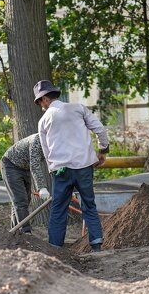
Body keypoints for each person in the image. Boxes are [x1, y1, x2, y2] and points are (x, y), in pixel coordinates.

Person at [34, 79, 110, 251]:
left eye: (40, 102)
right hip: (84, 166)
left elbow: (46, 151)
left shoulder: (43, 120)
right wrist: (102, 150)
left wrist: (52, 169)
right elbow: (99, 129)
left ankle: (55, 248)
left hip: (61, 170)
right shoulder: (78, 108)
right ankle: (97, 245)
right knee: (89, 205)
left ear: (45, 99)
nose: (41, 106)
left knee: (58, 209)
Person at [1, 133, 49, 234]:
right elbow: (34, 165)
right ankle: (26, 232)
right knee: (20, 201)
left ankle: (16, 233)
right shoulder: (37, 140)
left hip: (24, 167)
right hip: (10, 165)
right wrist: (41, 187)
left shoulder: (54, 143)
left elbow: (54, 164)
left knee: (25, 200)